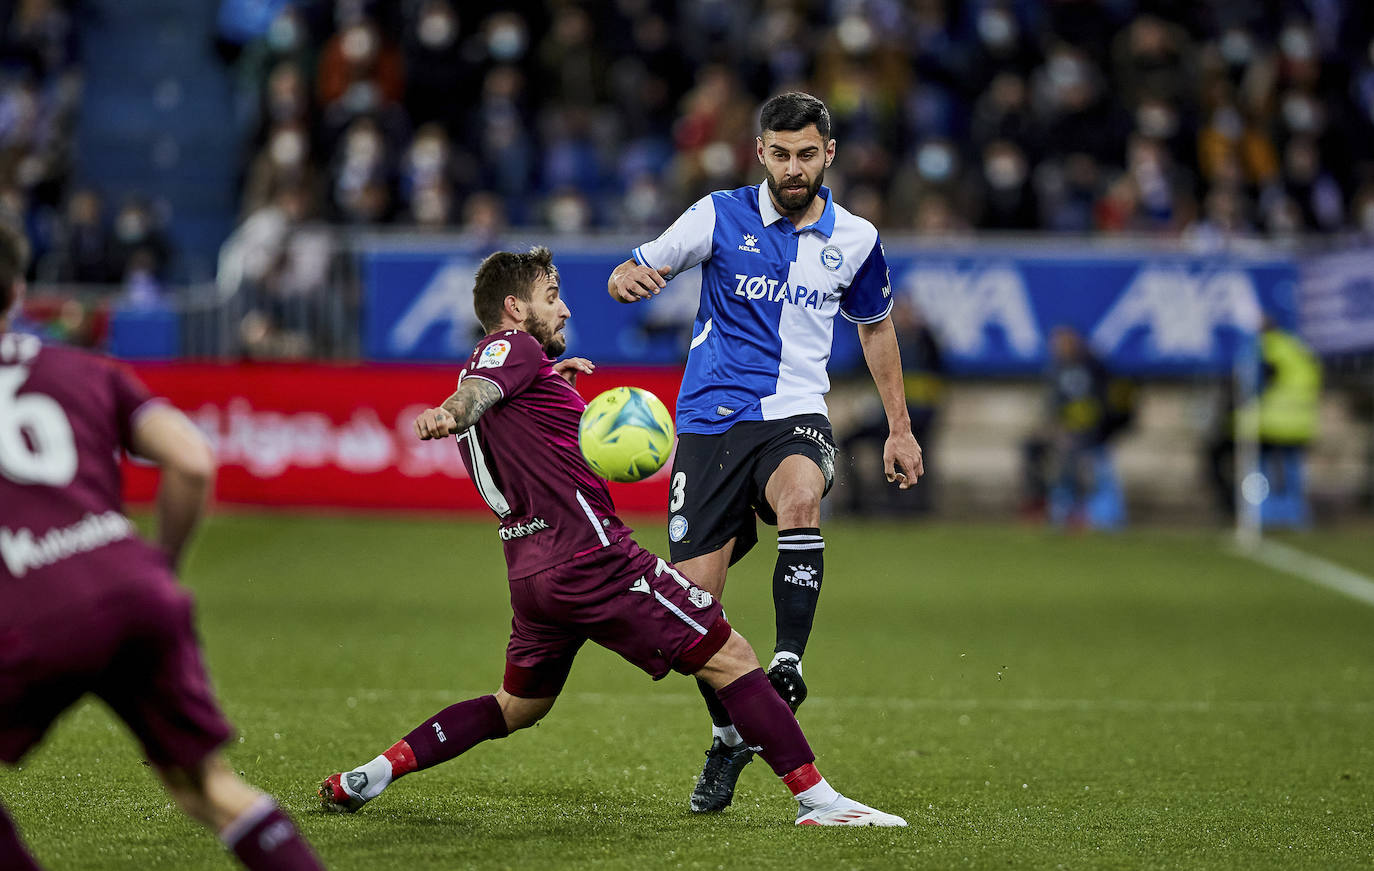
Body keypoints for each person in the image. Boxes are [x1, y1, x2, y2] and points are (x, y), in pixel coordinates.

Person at [318, 246, 906, 827]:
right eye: (552, 298)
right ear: (514, 308)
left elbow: (500, 402)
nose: (566, 310)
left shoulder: (514, 366)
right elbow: (478, 397)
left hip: (531, 573)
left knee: (516, 706)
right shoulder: (509, 349)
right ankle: (818, 800)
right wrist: (451, 411)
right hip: (591, 559)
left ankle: (374, 772)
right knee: (732, 655)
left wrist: (549, 381)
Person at [606, 92, 924, 812]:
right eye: (780, 154)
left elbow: (876, 330)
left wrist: (899, 427)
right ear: (760, 153)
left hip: (794, 415)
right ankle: (727, 734)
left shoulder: (859, 238)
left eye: (806, 153)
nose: (793, 167)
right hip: (709, 424)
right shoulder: (718, 215)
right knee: (692, 606)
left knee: (802, 495)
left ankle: (786, 662)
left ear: (829, 154)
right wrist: (627, 279)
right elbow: (633, 266)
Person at [0, 224, 324, 871]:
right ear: (17, 288)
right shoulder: (86, 367)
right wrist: (161, 564)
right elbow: (194, 462)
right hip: (135, 589)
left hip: (30, 611)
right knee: (208, 787)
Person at [1205, 315, 1321, 522]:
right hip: (1301, 423)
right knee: (1292, 472)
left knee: (1255, 468)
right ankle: (1297, 514)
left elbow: (1251, 385)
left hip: (1269, 422)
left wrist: (1231, 417)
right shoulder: (1297, 348)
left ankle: (1258, 512)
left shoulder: (1263, 349)